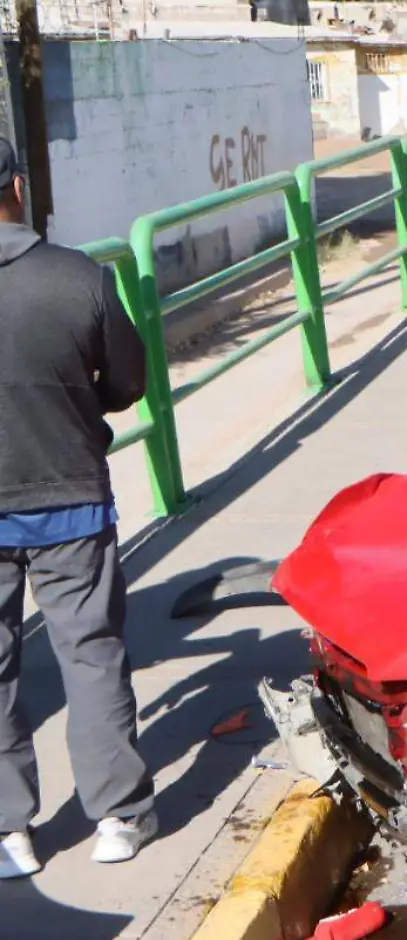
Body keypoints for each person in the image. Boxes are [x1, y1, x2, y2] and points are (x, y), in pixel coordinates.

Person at [0, 138, 157, 878]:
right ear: (19, 188)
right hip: (70, 500)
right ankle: (118, 819)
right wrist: (77, 404)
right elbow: (129, 382)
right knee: (91, 658)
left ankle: (10, 832)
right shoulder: (79, 277)